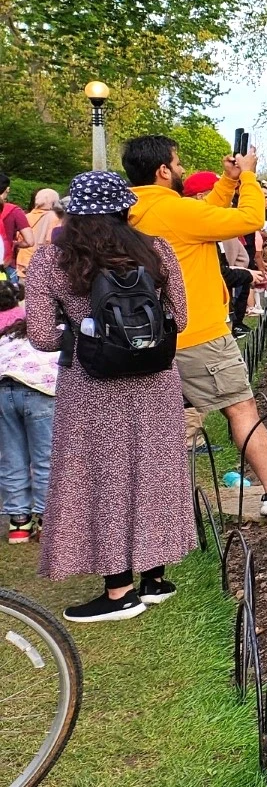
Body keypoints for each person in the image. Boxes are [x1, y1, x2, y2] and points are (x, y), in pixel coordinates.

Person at [25, 171, 196, 621]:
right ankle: (154, 578)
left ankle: (119, 593)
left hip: (91, 384)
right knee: (152, 472)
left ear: (74, 210)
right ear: (125, 207)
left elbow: (41, 336)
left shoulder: (51, 259)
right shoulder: (156, 249)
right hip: (155, 381)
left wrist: (81, 327)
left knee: (102, 480)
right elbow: (180, 316)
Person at [124, 136, 267, 517]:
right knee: (240, 407)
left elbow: (203, 216)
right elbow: (249, 220)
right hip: (199, 333)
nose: (182, 169)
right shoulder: (177, 212)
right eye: (178, 163)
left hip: (155, 333)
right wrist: (248, 178)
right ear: (163, 170)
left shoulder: (137, 210)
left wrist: (228, 182)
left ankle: (161, 508)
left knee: (168, 422)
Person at [0, 280, 56, 545]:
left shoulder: (11, 332)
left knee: (11, 457)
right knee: (44, 458)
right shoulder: (54, 332)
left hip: (3, 388)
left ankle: (18, 525)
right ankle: (46, 521)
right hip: (39, 390)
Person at [16, 188, 62, 273]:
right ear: (54, 202)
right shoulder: (55, 218)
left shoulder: (26, 216)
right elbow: (51, 241)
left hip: (22, 262)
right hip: (40, 265)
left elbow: (18, 239)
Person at [0, 174, 30, 282]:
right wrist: (15, 243)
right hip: (6, 264)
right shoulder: (14, 210)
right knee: (8, 297)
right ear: (7, 189)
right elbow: (29, 241)